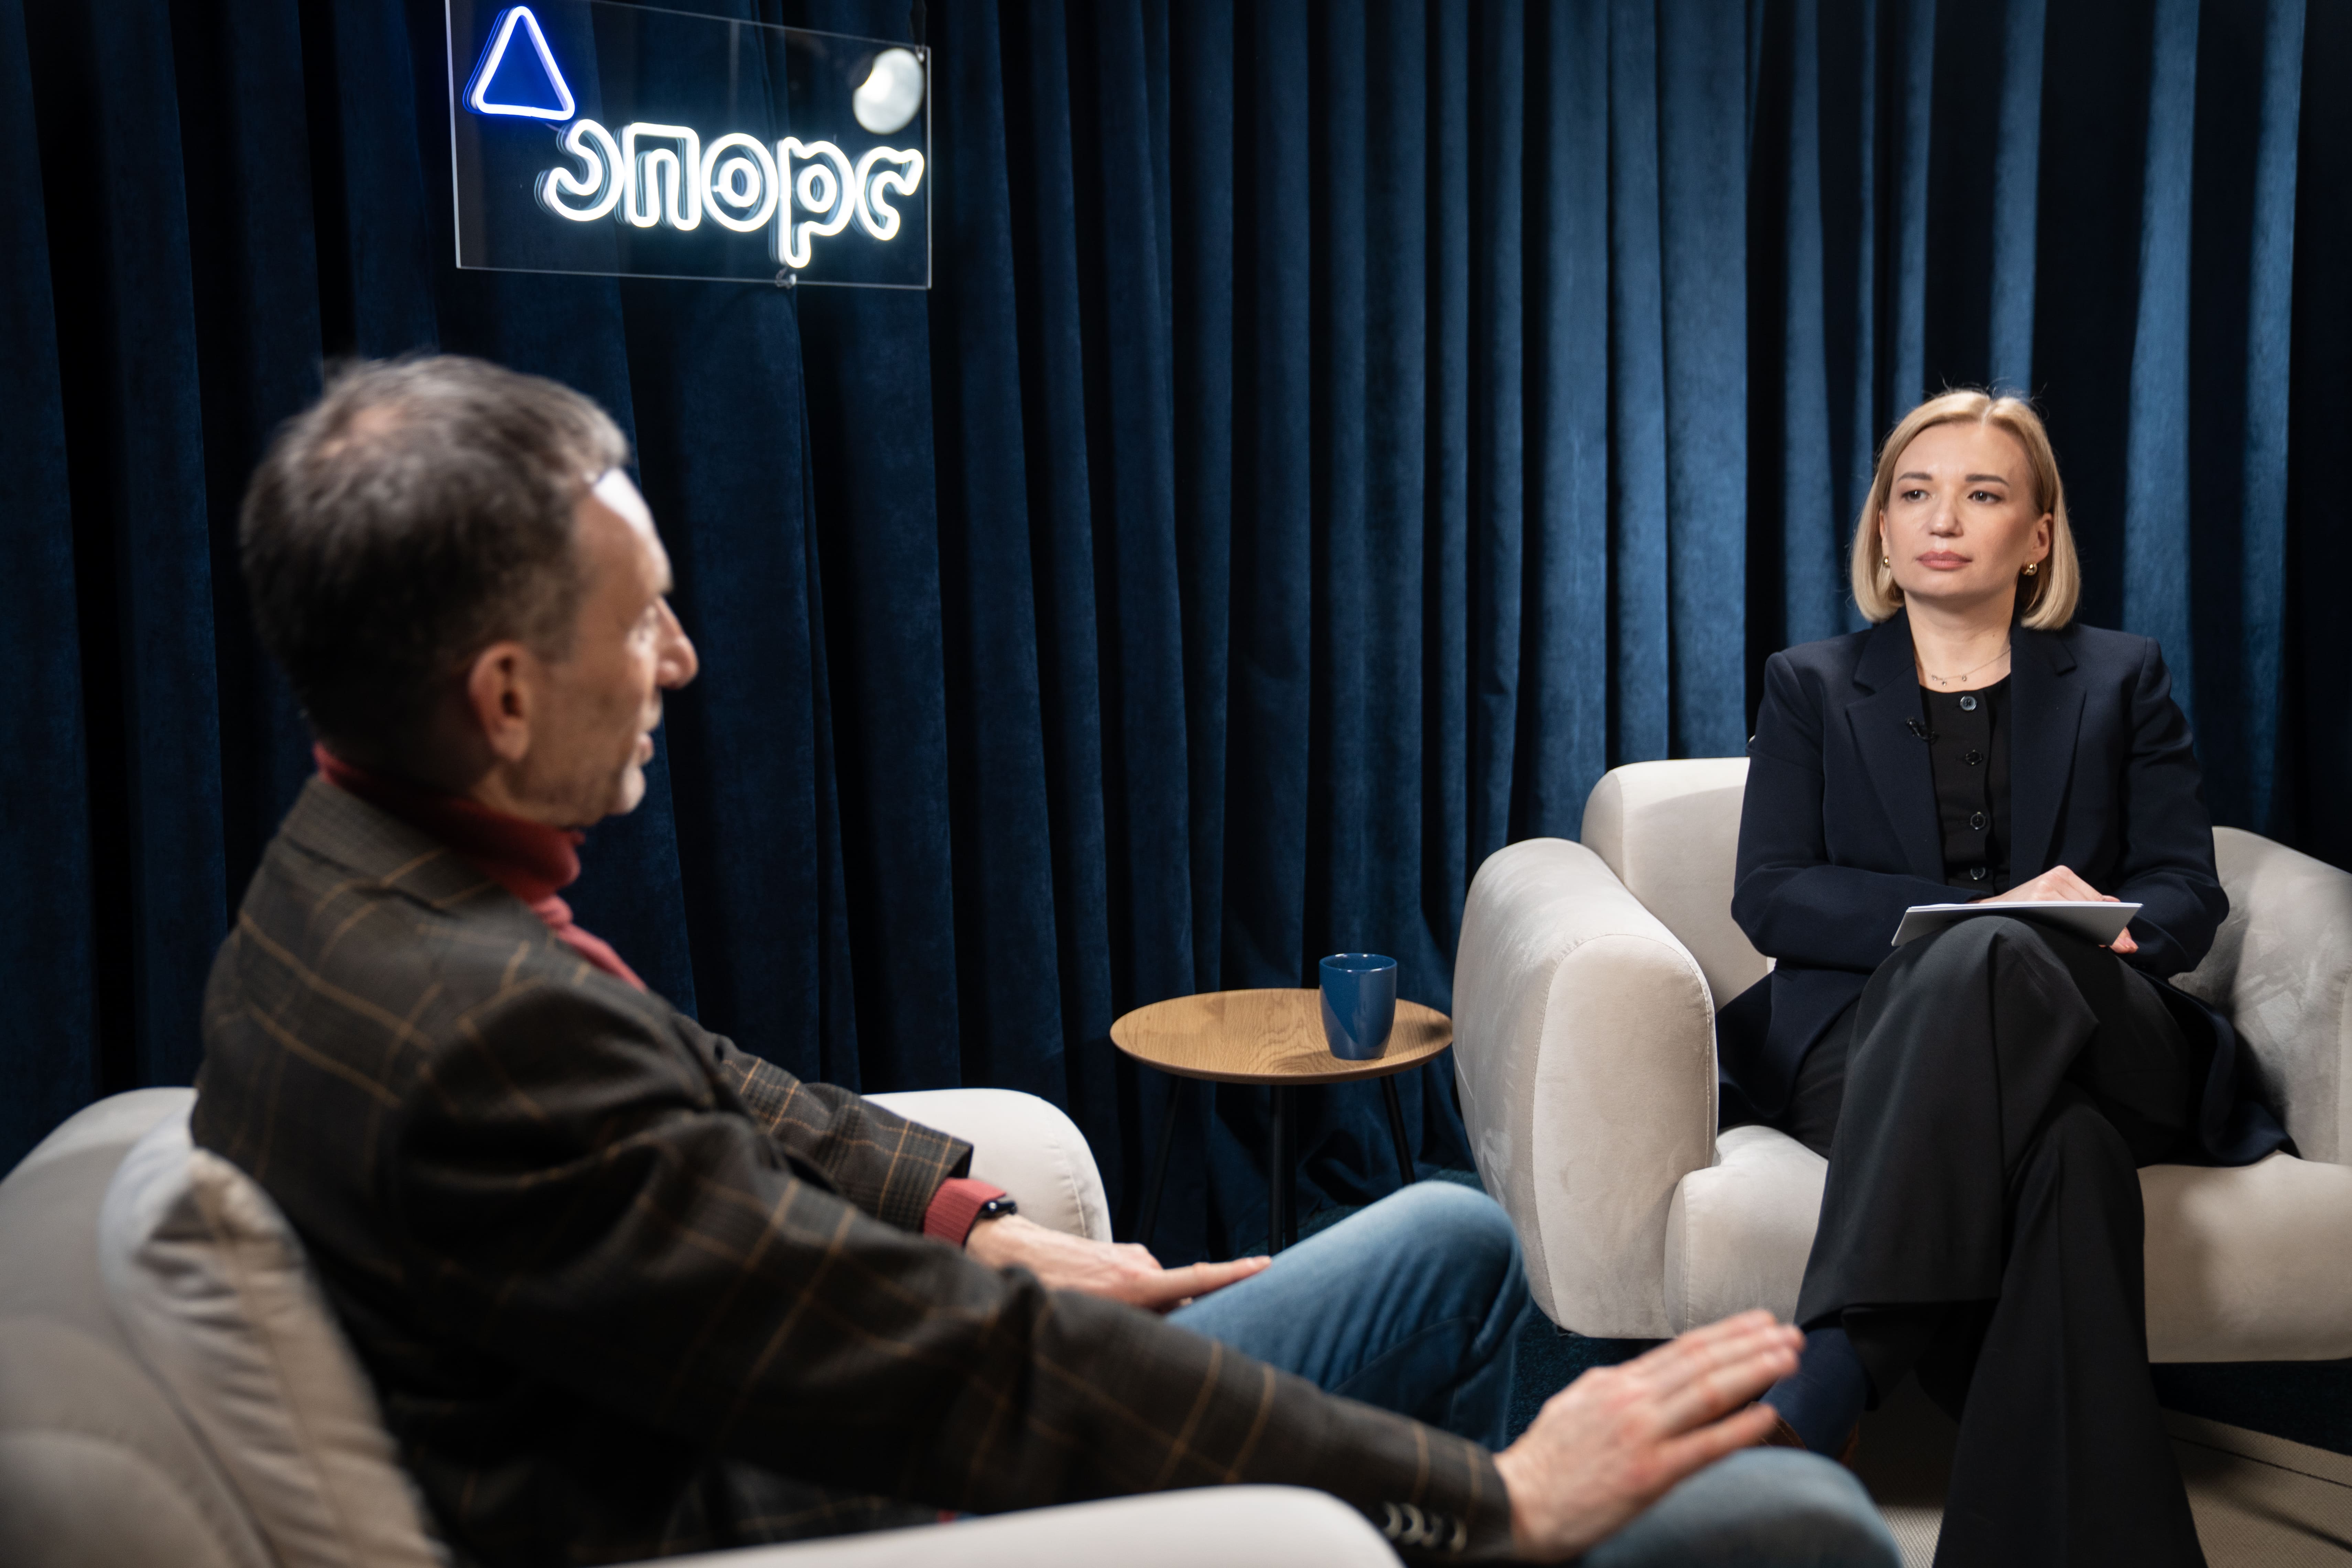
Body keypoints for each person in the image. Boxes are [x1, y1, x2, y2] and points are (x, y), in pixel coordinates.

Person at [193, 355, 1897, 1567]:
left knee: (1450, 1237)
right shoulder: (485, 1036)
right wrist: (1501, 1498)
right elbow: (960, 1378)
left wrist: (974, 1221)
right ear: (502, 695)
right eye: (640, 618)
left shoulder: (350, 882)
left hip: (865, 1436)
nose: (682, 658)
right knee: (1799, 1521)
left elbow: (715, 1088)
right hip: (882, 1514)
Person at [1723, 389, 2288, 1567]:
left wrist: (2114, 929)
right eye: (1916, 495)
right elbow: (1771, 892)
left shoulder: (2123, 677)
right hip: (1874, 1041)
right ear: (1883, 529)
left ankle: (1837, 1367)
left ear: (2037, 537)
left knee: (2004, 959)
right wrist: (1981, 919)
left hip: (2101, 1026)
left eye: (1983, 495)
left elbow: (2188, 886)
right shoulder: (1810, 684)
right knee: (2070, 1157)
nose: (1944, 520)